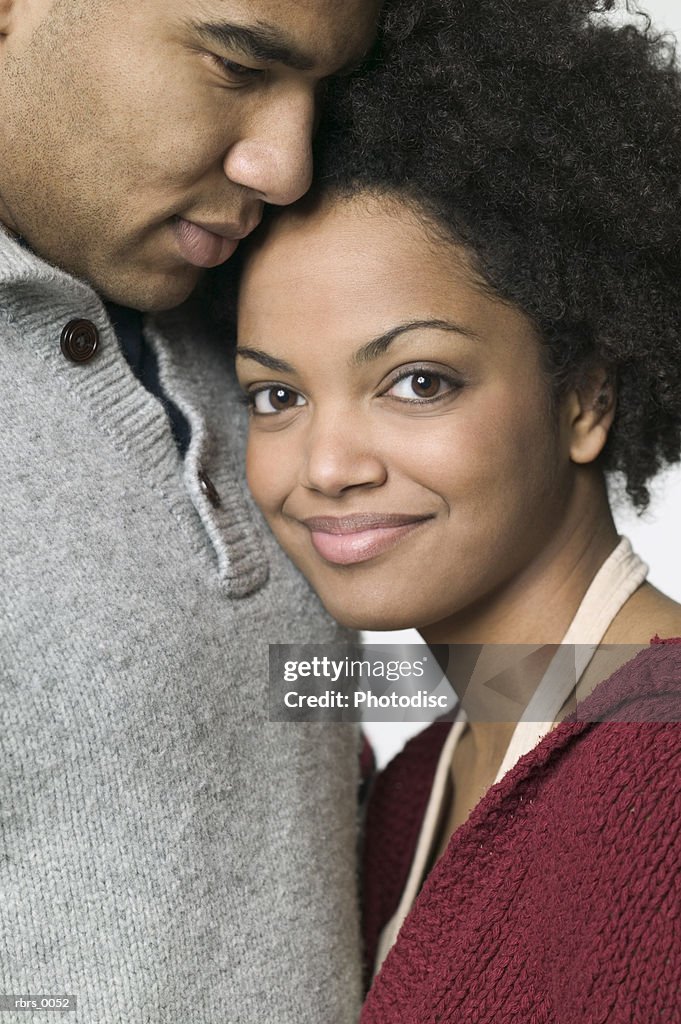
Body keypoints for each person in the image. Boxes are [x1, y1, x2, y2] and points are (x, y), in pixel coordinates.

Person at [233, 0, 681, 1017]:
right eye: (276, 395)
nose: (328, 464)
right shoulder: (413, 790)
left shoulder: (664, 778)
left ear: (585, 398)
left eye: (419, 381)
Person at [0, 1, 380, 1020]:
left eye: (325, 94)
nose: (287, 166)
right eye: (234, 65)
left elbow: (282, 699)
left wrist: (616, 685)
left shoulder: (264, 349)